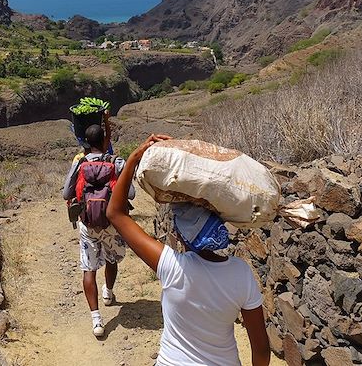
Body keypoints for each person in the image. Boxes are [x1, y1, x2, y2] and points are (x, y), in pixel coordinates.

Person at [106, 135, 271, 366]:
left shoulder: (171, 265)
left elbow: (115, 214)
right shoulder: (241, 274)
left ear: (181, 235)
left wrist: (133, 158)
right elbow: (261, 349)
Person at [62, 119, 132, 338]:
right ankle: (109, 293)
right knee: (111, 260)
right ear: (104, 141)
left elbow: (66, 194)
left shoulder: (80, 163)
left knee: (88, 269)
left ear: (85, 142)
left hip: (88, 225)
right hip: (112, 223)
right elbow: (130, 194)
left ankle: (97, 321)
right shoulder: (117, 163)